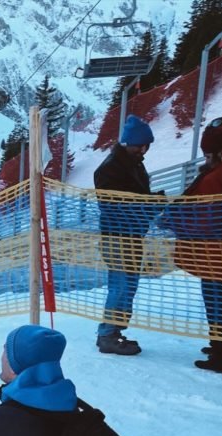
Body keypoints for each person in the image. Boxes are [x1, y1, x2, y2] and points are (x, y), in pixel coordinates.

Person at [169, 120, 222, 373]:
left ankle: (220, 356)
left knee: (217, 303)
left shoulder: (217, 176)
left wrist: (174, 220)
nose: (207, 158)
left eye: (208, 154)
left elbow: (204, 221)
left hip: (219, 257)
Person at [93, 114, 162, 355]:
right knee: (120, 284)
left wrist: (151, 202)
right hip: (118, 235)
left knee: (129, 284)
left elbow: (134, 198)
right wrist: (151, 204)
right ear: (132, 143)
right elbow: (117, 204)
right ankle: (107, 334)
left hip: (132, 234)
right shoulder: (111, 168)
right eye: (143, 145)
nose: (145, 150)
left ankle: (116, 330)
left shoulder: (133, 164)